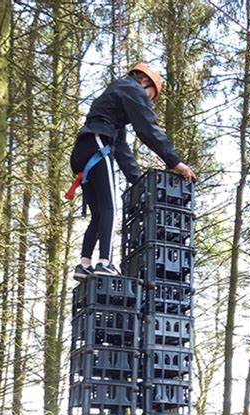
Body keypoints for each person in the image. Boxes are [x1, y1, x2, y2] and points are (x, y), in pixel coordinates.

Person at [68, 62, 196, 280]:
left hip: (83, 149)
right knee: (111, 208)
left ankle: (84, 264)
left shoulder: (114, 103)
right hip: (97, 144)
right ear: (144, 81)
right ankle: (105, 263)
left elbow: (123, 149)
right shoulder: (133, 89)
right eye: (150, 96)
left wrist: (137, 182)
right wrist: (175, 162)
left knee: (98, 213)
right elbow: (147, 128)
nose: (147, 100)